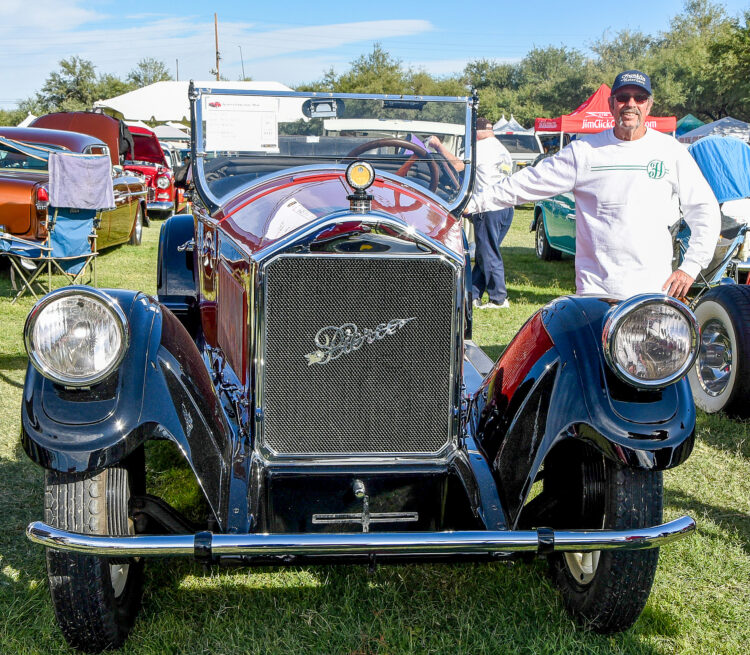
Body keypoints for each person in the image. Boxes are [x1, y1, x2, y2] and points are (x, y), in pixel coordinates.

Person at [468, 70, 720, 301]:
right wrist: (473, 202)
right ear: (611, 104)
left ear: (649, 104)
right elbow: (527, 182)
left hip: (653, 291)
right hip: (596, 293)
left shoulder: (670, 151)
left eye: (639, 97)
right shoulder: (585, 152)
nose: (631, 104)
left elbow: (704, 209)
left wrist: (691, 266)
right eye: (623, 97)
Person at [428, 117, 514, 309]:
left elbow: (458, 166)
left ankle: (498, 298)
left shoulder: (481, 148)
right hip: (506, 207)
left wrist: (439, 147)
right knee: (486, 253)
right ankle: (473, 293)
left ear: (477, 132)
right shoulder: (502, 149)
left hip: (488, 206)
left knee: (489, 253)